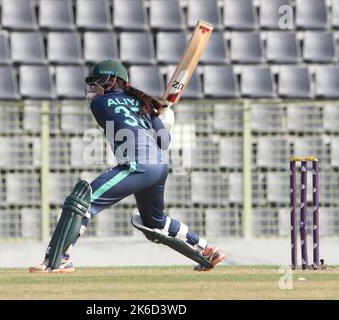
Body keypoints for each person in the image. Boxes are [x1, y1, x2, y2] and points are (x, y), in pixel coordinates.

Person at [29, 59, 226, 273]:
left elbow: (120, 117)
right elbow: (164, 142)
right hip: (159, 166)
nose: (94, 87)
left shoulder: (100, 103)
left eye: (97, 82)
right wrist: (166, 120)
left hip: (137, 165)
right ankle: (207, 249)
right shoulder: (146, 106)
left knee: (82, 203)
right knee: (155, 222)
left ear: (113, 80)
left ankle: (60, 258)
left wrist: (156, 114)